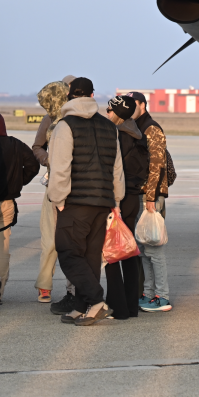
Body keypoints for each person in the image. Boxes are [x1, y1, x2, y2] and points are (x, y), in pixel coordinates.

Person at [48, 78, 125, 325]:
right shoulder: (109, 126)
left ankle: (97, 300)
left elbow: (60, 168)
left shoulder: (65, 125)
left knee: (68, 252)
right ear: (92, 95)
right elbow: (117, 168)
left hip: (75, 202)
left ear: (70, 96)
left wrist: (58, 200)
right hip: (102, 202)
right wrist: (117, 199)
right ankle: (83, 306)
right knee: (90, 256)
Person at [0, 111, 40, 303]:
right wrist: (19, 182)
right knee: (2, 247)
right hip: (7, 203)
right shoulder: (15, 144)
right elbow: (34, 164)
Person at [127, 91, 172, 312]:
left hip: (151, 197)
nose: (129, 108)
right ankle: (149, 293)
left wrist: (152, 197)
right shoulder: (134, 127)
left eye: (133, 104)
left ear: (142, 105)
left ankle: (163, 297)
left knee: (155, 247)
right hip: (140, 195)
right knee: (144, 248)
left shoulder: (151, 128)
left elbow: (158, 163)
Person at [32, 80, 75, 309]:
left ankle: (73, 287)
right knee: (49, 239)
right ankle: (45, 285)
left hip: (75, 188)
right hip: (53, 187)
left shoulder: (78, 119)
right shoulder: (49, 118)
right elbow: (37, 146)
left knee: (73, 241)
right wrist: (49, 160)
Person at [104, 95, 144, 319]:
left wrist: (113, 201)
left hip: (117, 197)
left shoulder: (117, 135)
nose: (107, 115)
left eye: (109, 111)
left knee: (111, 250)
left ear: (117, 113)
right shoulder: (138, 134)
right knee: (128, 250)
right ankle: (130, 305)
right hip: (133, 198)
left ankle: (117, 306)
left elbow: (114, 170)